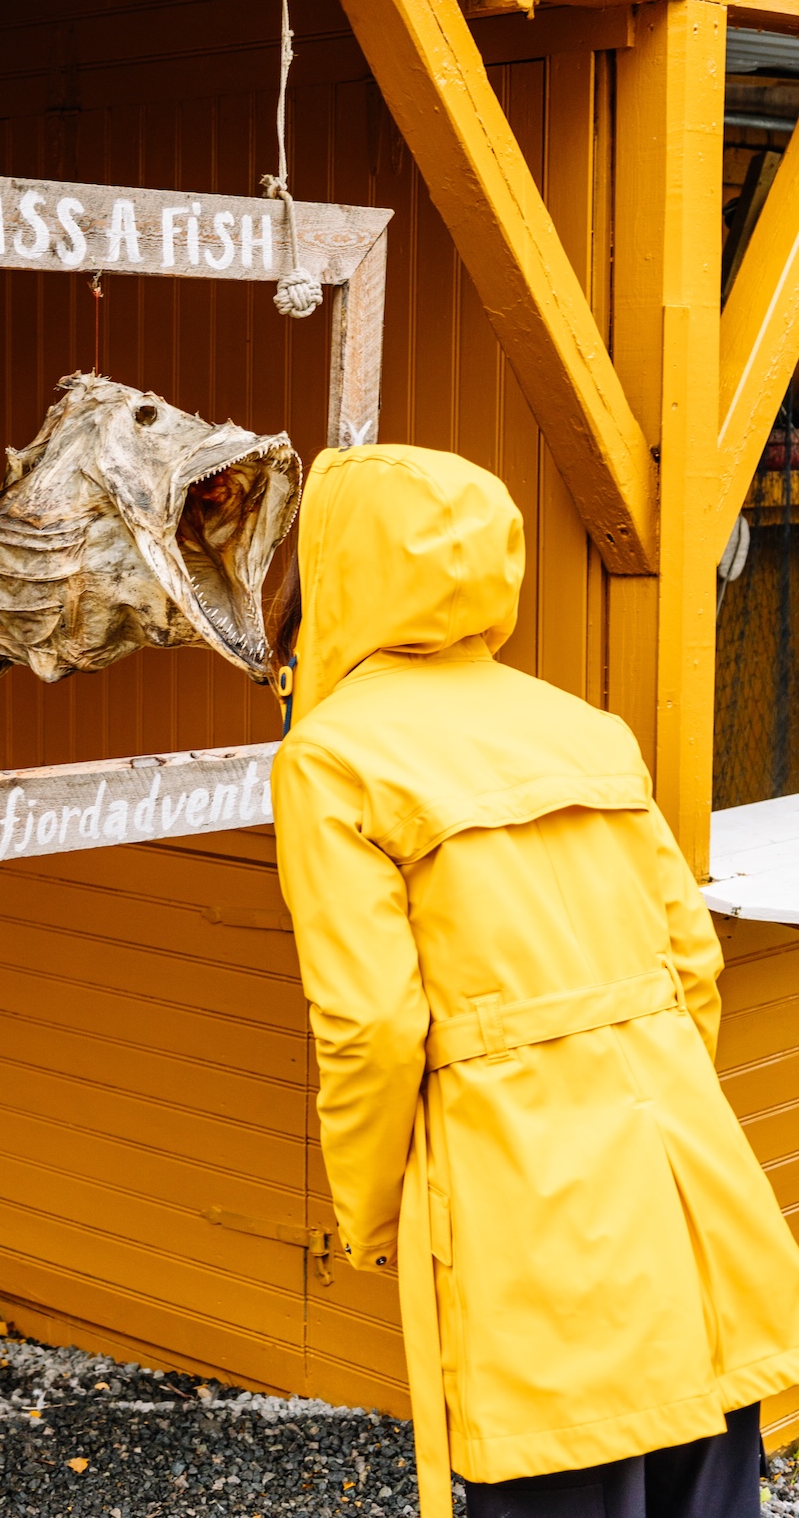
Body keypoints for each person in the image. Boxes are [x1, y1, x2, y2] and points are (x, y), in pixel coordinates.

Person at [269, 444, 799, 1518]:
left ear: (336, 568)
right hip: (691, 1198)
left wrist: (372, 1211)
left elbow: (369, 1021)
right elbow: (692, 964)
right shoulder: (584, 726)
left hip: (533, 1219)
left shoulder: (331, 758)